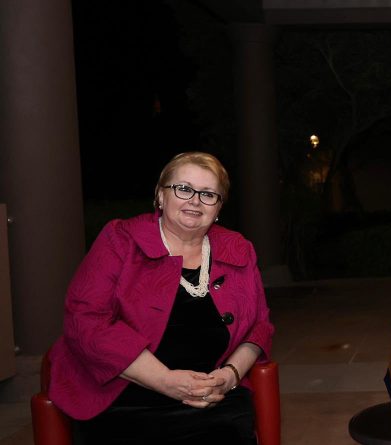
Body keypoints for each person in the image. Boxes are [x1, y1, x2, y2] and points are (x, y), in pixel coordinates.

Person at [48, 152, 275, 445]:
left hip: (212, 400)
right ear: (160, 195)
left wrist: (230, 375)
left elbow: (260, 326)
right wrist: (165, 381)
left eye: (208, 194)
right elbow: (85, 320)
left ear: (218, 207)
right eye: (184, 189)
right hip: (124, 397)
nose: (195, 201)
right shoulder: (120, 240)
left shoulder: (238, 248)